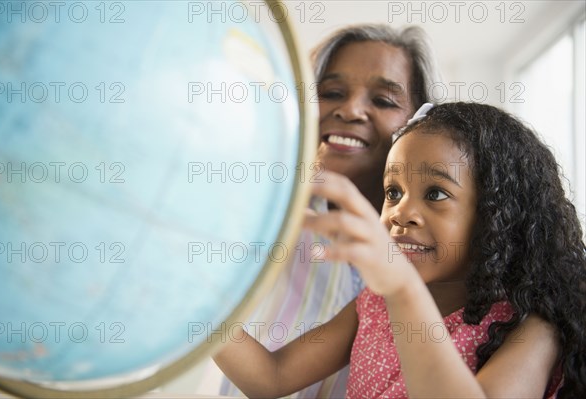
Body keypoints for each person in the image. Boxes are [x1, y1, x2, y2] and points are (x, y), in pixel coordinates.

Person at [214, 102, 586, 398]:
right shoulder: (373, 305)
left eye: (436, 194)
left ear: (499, 216)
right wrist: (196, 306)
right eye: (393, 193)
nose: (401, 213)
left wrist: (401, 287)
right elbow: (270, 377)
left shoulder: (531, 326)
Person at [219, 24, 441, 398]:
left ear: (421, 121)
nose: (351, 110)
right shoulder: (262, 204)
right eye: (332, 93)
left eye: (384, 101)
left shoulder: (432, 250)